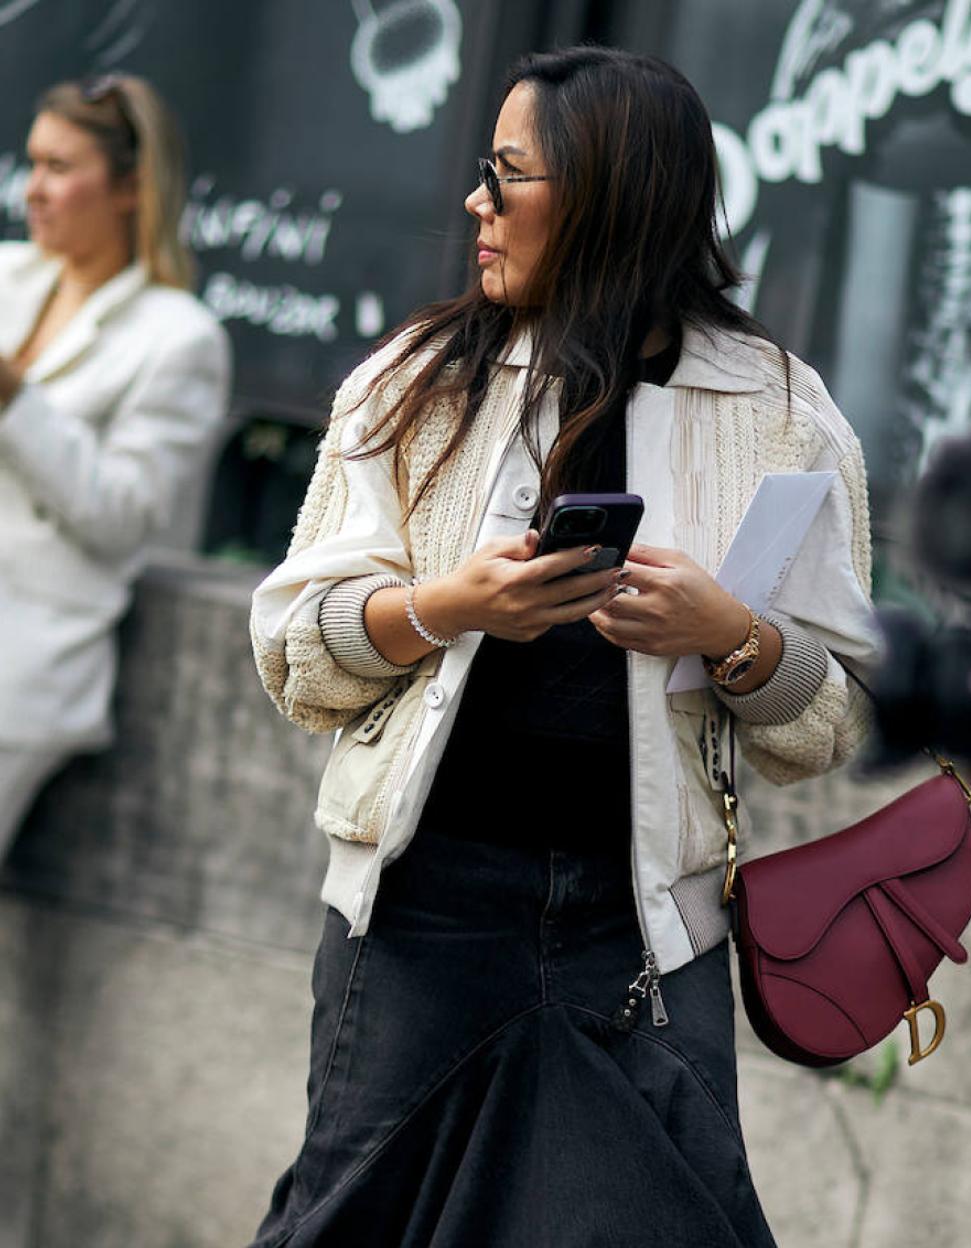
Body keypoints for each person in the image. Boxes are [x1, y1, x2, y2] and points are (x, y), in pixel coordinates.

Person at [249, 46, 878, 1247]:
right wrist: (448, 608)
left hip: (643, 927)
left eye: (508, 175)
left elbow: (831, 717)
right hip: (423, 908)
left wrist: (734, 638)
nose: (475, 202)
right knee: (352, 1223)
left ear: (606, 196)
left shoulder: (780, 411)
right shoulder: (416, 384)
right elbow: (291, 647)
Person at [0, 74, 231, 855]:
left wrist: (15, 397)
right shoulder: (8, 274)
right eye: (32, 163)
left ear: (131, 187)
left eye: (60, 167)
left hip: (24, 664)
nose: (33, 189)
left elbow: (124, 516)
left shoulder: (179, 337)